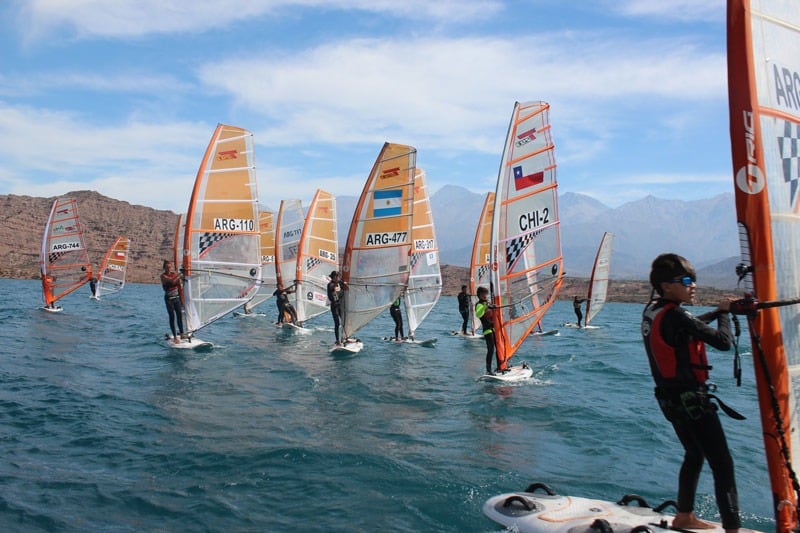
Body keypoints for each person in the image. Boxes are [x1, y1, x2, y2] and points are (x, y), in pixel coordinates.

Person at [642, 253, 740, 532]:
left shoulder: (653, 309)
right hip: (692, 401)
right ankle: (732, 529)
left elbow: (687, 324)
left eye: (693, 280)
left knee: (694, 455)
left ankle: (684, 515)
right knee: (723, 464)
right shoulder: (675, 315)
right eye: (686, 281)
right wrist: (723, 314)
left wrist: (714, 313)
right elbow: (723, 343)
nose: (692, 285)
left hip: (670, 402)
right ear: (666, 286)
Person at [475, 286, 503, 375]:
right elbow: (478, 314)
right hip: (487, 330)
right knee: (491, 349)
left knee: (499, 348)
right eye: (483, 294)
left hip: (495, 328)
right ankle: (488, 370)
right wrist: (486, 306)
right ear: (479, 295)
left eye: (485, 294)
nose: (485, 295)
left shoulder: (488, 303)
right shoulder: (479, 304)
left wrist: (493, 306)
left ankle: (500, 367)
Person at [160, 260, 186, 344]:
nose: (168, 269)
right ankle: (175, 337)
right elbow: (171, 282)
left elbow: (179, 287)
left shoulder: (174, 275)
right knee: (172, 317)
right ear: (164, 268)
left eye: (169, 267)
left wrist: (182, 301)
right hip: (169, 299)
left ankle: (182, 334)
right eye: (167, 267)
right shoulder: (163, 276)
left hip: (176, 298)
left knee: (179, 316)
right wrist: (180, 274)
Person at [327, 271, 347, 345]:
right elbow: (333, 287)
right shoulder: (330, 284)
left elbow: (344, 286)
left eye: (338, 276)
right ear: (333, 277)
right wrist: (340, 283)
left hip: (340, 305)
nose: (337, 278)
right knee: (337, 323)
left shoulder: (339, 283)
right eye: (335, 276)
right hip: (334, 306)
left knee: (344, 321)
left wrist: (344, 283)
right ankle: (337, 340)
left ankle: (345, 337)